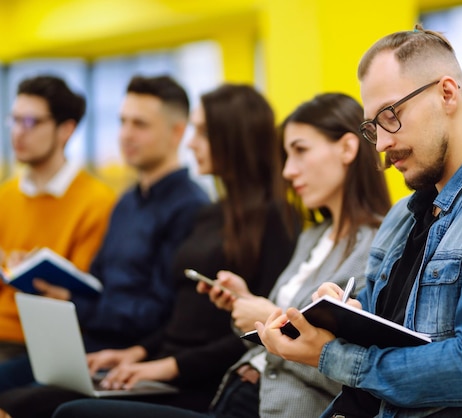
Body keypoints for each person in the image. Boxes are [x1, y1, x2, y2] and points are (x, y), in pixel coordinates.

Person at [254, 25, 462, 417]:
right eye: (374, 126)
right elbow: (384, 330)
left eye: (391, 115)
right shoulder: (401, 218)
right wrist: (341, 314)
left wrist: (331, 355)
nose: (384, 144)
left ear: (446, 93)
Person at [51, 92, 392, 418]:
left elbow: (356, 370)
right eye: (286, 155)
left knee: (71, 412)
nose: (288, 171)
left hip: (274, 406)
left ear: (348, 148)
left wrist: (270, 316)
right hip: (234, 394)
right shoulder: (312, 236)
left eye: (300, 151)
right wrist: (245, 303)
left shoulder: (375, 246)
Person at [0, 84, 299, 418]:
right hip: (152, 355)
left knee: (45, 407)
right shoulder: (206, 213)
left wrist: (163, 363)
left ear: (234, 136)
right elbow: (181, 318)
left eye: (201, 131)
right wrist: (139, 352)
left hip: (196, 377)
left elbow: (245, 329)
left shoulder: (267, 219)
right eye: (122, 122)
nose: (191, 142)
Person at [0, 75, 209, 396]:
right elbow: (96, 283)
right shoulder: (126, 201)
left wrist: (73, 301)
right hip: (88, 340)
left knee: (14, 398)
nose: (125, 135)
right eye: (122, 122)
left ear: (177, 132)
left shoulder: (190, 207)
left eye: (140, 124)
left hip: (127, 351)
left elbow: (161, 312)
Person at [0, 75, 116, 363]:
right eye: (14, 120)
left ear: (66, 130)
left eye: (30, 122)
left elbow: (78, 294)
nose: (17, 132)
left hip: (40, 343)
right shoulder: (6, 195)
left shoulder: (97, 201)